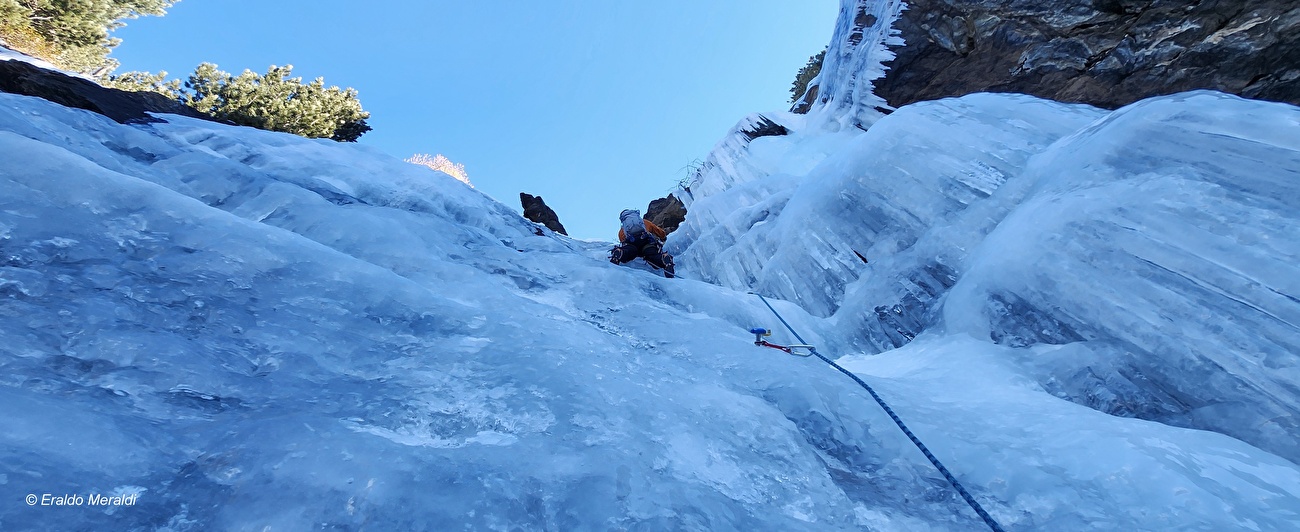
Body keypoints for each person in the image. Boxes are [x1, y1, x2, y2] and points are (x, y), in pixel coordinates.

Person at [609, 209, 676, 278]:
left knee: (628, 251)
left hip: (632, 245)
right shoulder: (644, 222)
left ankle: (620, 252)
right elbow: (659, 231)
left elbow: (623, 241)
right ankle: (664, 258)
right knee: (652, 256)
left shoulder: (622, 230)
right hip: (646, 242)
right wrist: (663, 238)